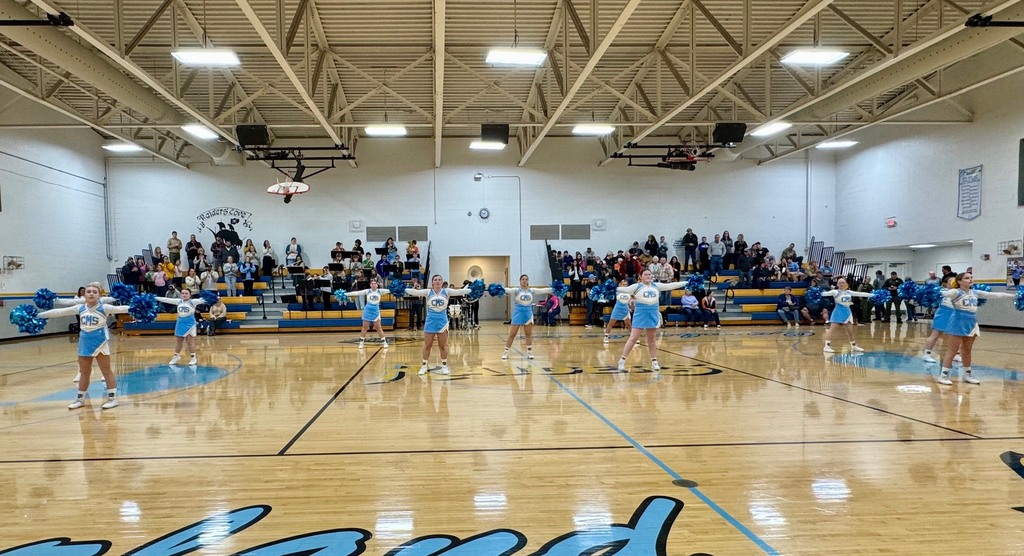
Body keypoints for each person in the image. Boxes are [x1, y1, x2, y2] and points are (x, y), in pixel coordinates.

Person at [37, 283, 128, 409]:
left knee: (106, 371)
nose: (91, 293)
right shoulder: (79, 308)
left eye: (94, 292)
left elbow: (123, 309)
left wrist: (138, 307)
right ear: (84, 295)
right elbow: (59, 312)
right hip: (84, 344)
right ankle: (80, 399)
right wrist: (39, 315)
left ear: (100, 295)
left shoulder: (105, 307)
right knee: (84, 372)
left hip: (100, 344)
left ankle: (112, 398)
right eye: (88, 291)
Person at [933, 272, 1016, 385]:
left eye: (971, 277)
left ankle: (967, 375)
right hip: (957, 322)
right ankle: (943, 375)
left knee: (967, 351)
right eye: (967, 278)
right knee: (952, 351)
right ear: (959, 281)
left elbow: (995, 295)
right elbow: (945, 293)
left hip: (971, 323)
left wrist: (1014, 296)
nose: (970, 279)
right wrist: (940, 292)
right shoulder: (956, 292)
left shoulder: (975, 292)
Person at [616, 270, 687, 372]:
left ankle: (654, 362)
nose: (648, 276)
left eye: (649, 274)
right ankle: (622, 361)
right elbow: (624, 289)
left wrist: (686, 283)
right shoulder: (636, 287)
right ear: (641, 276)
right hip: (640, 315)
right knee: (633, 338)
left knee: (651, 340)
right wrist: (611, 288)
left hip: (652, 314)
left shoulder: (656, 286)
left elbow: (671, 285)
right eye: (646, 274)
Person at [405, 275, 471, 375]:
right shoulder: (428, 292)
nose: (437, 281)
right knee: (427, 345)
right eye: (435, 280)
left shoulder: (447, 291)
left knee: (443, 345)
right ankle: (424, 366)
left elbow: (459, 292)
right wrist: (404, 289)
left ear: (442, 282)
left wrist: (471, 289)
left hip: (442, 321)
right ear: (432, 283)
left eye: (439, 280)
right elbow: (416, 292)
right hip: (430, 321)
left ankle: (444, 366)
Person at [499, 275, 553, 360]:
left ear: (528, 281)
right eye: (523, 279)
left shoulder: (532, 291)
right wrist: (497, 288)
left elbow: (544, 290)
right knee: (512, 334)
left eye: (526, 279)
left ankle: (529, 352)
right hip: (518, 313)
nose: (524, 281)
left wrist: (555, 289)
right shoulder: (516, 290)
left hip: (528, 314)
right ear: (520, 281)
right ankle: (505, 352)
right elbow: (506, 290)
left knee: (528, 334)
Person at [821, 278, 873, 353]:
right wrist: (818, 293)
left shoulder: (849, 292)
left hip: (847, 312)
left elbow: (860, 293)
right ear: (837, 284)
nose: (841, 284)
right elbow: (824, 294)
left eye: (843, 282)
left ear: (845, 284)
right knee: (832, 330)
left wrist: (872, 295)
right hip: (838, 312)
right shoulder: (835, 292)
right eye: (840, 283)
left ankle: (854, 346)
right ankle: (826, 346)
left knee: (850, 331)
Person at [155, 288, 205, 365]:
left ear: (190, 295)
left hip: (190, 325)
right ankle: (176, 356)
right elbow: (166, 299)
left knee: (190, 342)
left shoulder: (193, 302)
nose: (184, 295)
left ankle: (193, 357)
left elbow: (204, 299)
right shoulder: (178, 301)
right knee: (179, 342)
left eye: (186, 293)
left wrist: (213, 297)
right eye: (183, 293)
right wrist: (154, 297)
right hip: (180, 324)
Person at [347, 278, 391, 349]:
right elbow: (356, 293)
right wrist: (346, 294)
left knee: (378, 327)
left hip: (376, 311)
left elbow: (391, 290)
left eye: (375, 284)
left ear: (377, 285)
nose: (373, 285)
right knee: (365, 327)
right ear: (370, 285)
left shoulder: (380, 291)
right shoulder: (367, 291)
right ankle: (361, 343)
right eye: (372, 284)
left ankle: (384, 342)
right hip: (367, 311)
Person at [603, 279, 632, 344]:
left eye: (626, 284)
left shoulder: (629, 292)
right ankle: (606, 336)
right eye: (623, 284)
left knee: (629, 324)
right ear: (620, 284)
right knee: (611, 323)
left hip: (625, 309)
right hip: (617, 309)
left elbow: (631, 300)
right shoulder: (617, 290)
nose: (625, 286)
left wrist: (631, 306)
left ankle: (633, 338)